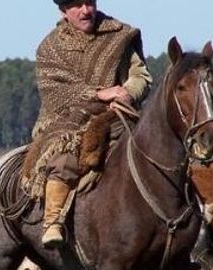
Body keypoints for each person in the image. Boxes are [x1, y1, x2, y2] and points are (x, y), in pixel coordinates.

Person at [27, 0, 153, 248]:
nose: (86, 10)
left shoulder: (119, 35)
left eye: (90, 2)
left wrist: (127, 93)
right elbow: (54, 92)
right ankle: (52, 222)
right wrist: (98, 93)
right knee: (65, 156)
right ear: (63, 10)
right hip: (66, 119)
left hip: (119, 114)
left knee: (159, 149)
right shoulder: (50, 48)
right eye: (77, 5)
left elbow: (140, 75)